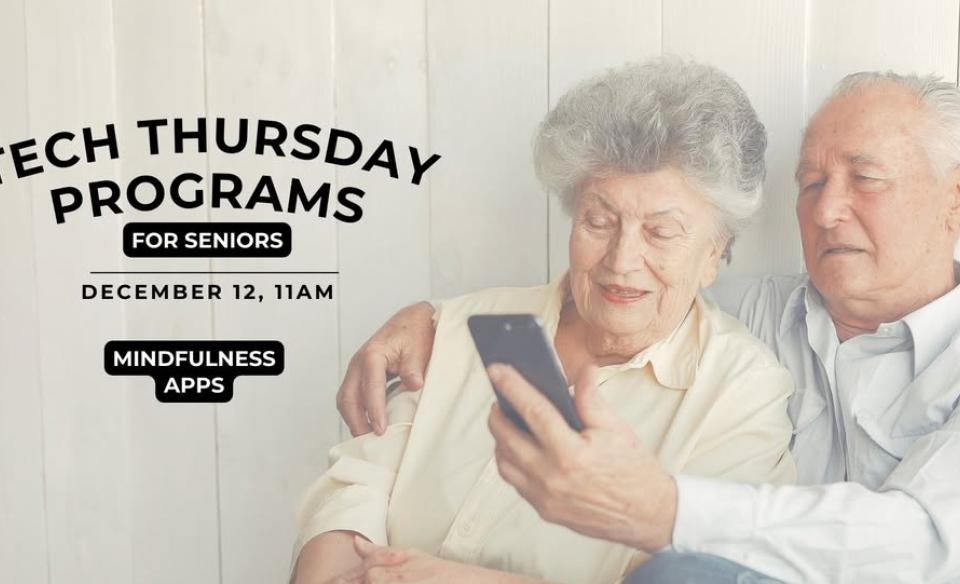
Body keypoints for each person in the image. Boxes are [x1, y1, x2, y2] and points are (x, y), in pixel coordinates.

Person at [338, 70, 960, 583]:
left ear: (955, 202)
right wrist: (424, 319)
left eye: (866, 179)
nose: (825, 210)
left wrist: (666, 510)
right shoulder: (763, 311)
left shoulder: (742, 367)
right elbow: (636, 292)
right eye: (811, 182)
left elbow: (924, 542)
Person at [292, 57, 798, 584]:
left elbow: (698, 574)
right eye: (598, 221)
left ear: (714, 252)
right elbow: (356, 488)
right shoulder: (464, 326)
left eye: (661, 233)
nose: (621, 260)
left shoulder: (741, 393)